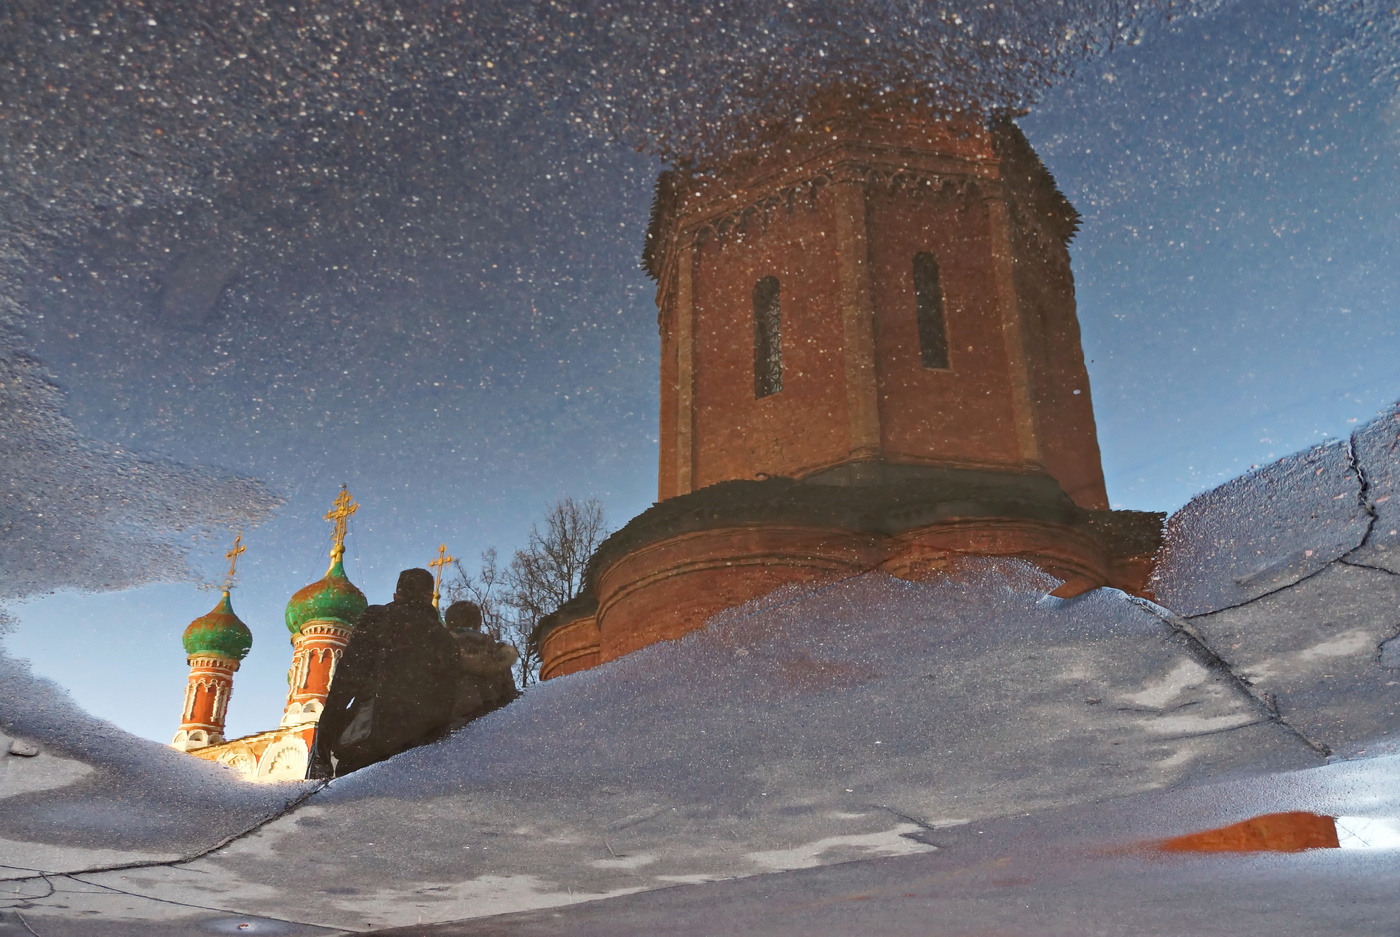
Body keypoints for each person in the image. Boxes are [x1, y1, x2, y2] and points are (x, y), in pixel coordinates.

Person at [307, 568, 459, 779]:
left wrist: (324, 741)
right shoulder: (445, 640)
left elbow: (347, 679)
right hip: (420, 753)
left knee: (354, 805)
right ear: (429, 597)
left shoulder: (379, 618)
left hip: (369, 742)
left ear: (396, 595)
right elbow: (448, 701)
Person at [443, 600, 519, 730]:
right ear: (478, 624)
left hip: (451, 734)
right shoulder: (499, 655)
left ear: (448, 626)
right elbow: (510, 700)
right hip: (494, 732)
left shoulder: (441, 652)